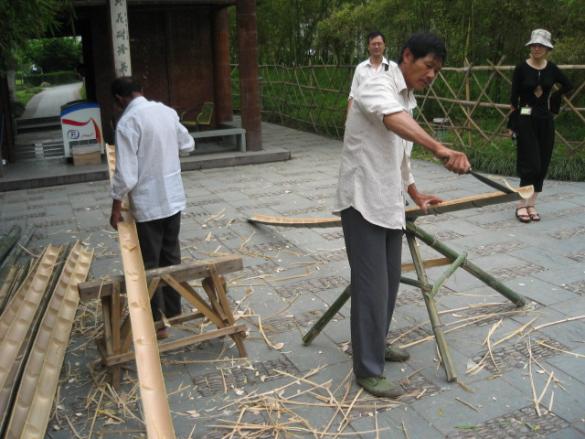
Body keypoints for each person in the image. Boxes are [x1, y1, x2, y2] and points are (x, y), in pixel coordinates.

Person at [334, 32, 471, 398]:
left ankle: (376, 345)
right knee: (371, 289)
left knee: (390, 284)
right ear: (407, 56)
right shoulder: (375, 82)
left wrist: (414, 192)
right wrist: (441, 148)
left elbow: (400, 153)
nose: (432, 76)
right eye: (429, 67)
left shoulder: (406, 97)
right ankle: (367, 369)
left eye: (438, 71)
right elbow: (392, 121)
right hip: (362, 201)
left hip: (389, 203)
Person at [109, 76, 195, 338]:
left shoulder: (128, 122)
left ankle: (157, 323)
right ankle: (174, 310)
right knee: (171, 255)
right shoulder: (166, 112)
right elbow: (188, 145)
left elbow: (126, 174)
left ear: (119, 99)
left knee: (150, 262)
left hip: (149, 202)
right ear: (141, 91)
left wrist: (115, 206)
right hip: (172, 196)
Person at [509, 29, 572, 223]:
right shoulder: (521, 68)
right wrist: (512, 124)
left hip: (545, 119)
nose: (537, 48)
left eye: (541, 45)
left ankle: (532, 204)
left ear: (547, 49)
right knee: (531, 163)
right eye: (534, 45)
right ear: (530, 47)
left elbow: (567, 85)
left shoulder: (552, 69)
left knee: (542, 162)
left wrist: (554, 98)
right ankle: (521, 204)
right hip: (526, 118)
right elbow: (513, 99)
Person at [347, 31, 390, 111]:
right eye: (373, 44)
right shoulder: (360, 68)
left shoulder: (392, 69)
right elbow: (353, 96)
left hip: (386, 119)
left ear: (384, 46)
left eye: (379, 43)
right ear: (368, 47)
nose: (376, 46)